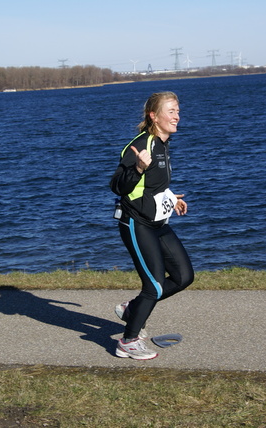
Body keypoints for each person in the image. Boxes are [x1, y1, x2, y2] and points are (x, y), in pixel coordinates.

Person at [109, 92, 194, 360]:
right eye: (170, 111)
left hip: (158, 222)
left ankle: (132, 309)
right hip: (135, 222)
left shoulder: (163, 143)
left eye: (178, 110)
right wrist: (138, 169)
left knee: (183, 277)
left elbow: (153, 187)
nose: (177, 116)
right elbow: (118, 186)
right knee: (155, 285)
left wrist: (170, 198)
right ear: (153, 116)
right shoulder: (140, 146)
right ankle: (128, 341)